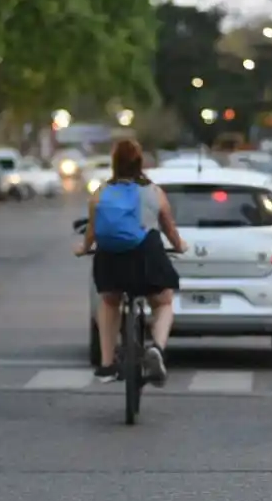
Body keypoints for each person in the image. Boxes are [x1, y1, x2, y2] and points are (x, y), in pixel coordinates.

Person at [74, 139, 188, 383]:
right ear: (140, 163)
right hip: (145, 258)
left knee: (109, 301)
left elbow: (92, 231)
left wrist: (83, 248)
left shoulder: (100, 193)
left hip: (110, 260)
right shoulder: (153, 192)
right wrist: (180, 246)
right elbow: (169, 228)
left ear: (114, 164)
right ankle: (156, 348)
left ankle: (107, 364)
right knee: (163, 302)